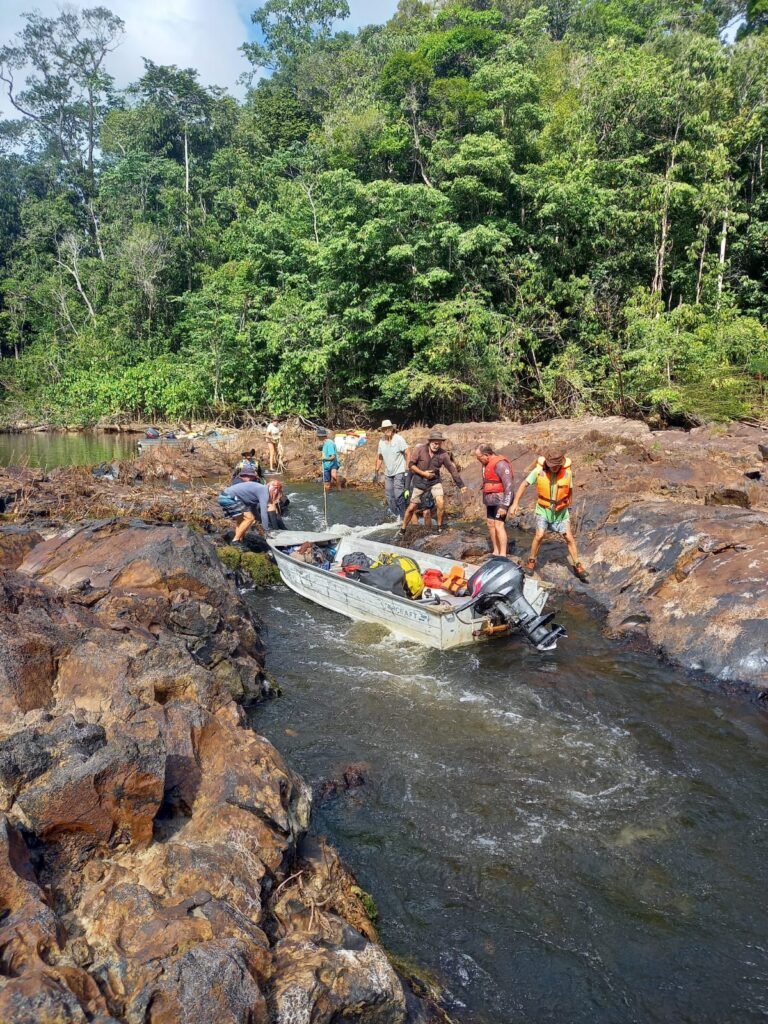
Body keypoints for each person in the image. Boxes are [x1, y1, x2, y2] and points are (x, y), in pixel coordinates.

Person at [509, 447, 589, 581]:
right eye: (552, 465)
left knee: (568, 537)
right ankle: (532, 560)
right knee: (539, 535)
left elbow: (569, 490)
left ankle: (577, 564)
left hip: (561, 511)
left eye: (557, 466)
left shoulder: (567, 473)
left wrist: (569, 502)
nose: (554, 468)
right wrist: (515, 503)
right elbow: (524, 484)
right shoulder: (539, 471)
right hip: (543, 509)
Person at [399, 430, 466, 536]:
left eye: (439, 443)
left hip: (434, 481)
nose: (437, 445)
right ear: (430, 442)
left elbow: (451, 469)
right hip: (419, 482)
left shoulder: (443, 454)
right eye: (435, 443)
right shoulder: (419, 449)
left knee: (440, 502)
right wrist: (423, 474)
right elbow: (411, 465)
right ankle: (403, 529)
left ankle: (439, 527)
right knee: (412, 508)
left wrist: (461, 485)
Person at [474, 444, 514, 557]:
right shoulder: (485, 464)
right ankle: (495, 551)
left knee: (499, 525)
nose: (478, 460)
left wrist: (505, 506)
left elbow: (509, 485)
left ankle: (503, 554)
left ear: (486, 455)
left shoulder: (501, 464)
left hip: (500, 499)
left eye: (479, 457)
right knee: (491, 524)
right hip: (490, 499)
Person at [374, 419, 410, 523]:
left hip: (400, 470)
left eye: (389, 428)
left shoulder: (399, 439)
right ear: (382, 430)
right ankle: (396, 516)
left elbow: (408, 452)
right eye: (385, 429)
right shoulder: (381, 442)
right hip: (388, 473)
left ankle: (403, 517)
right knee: (389, 496)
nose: (387, 430)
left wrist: (407, 468)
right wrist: (376, 471)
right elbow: (380, 457)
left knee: (398, 493)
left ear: (392, 428)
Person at [221, 468, 270, 543]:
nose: (249, 478)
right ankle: (235, 541)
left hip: (225, 496)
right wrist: (266, 530)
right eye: (247, 476)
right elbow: (264, 512)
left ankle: (240, 540)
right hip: (229, 498)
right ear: (242, 476)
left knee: (240, 521)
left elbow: (253, 508)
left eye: (251, 476)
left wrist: (259, 520)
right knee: (250, 518)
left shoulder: (252, 487)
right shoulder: (238, 481)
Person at [317, 427, 341, 492]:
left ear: (321, 436)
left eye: (318, 436)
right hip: (326, 465)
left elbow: (333, 457)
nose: (318, 437)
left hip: (333, 463)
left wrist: (323, 459)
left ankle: (339, 490)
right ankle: (328, 493)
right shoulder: (324, 443)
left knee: (334, 476)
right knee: (326, 484)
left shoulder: (329, 443)